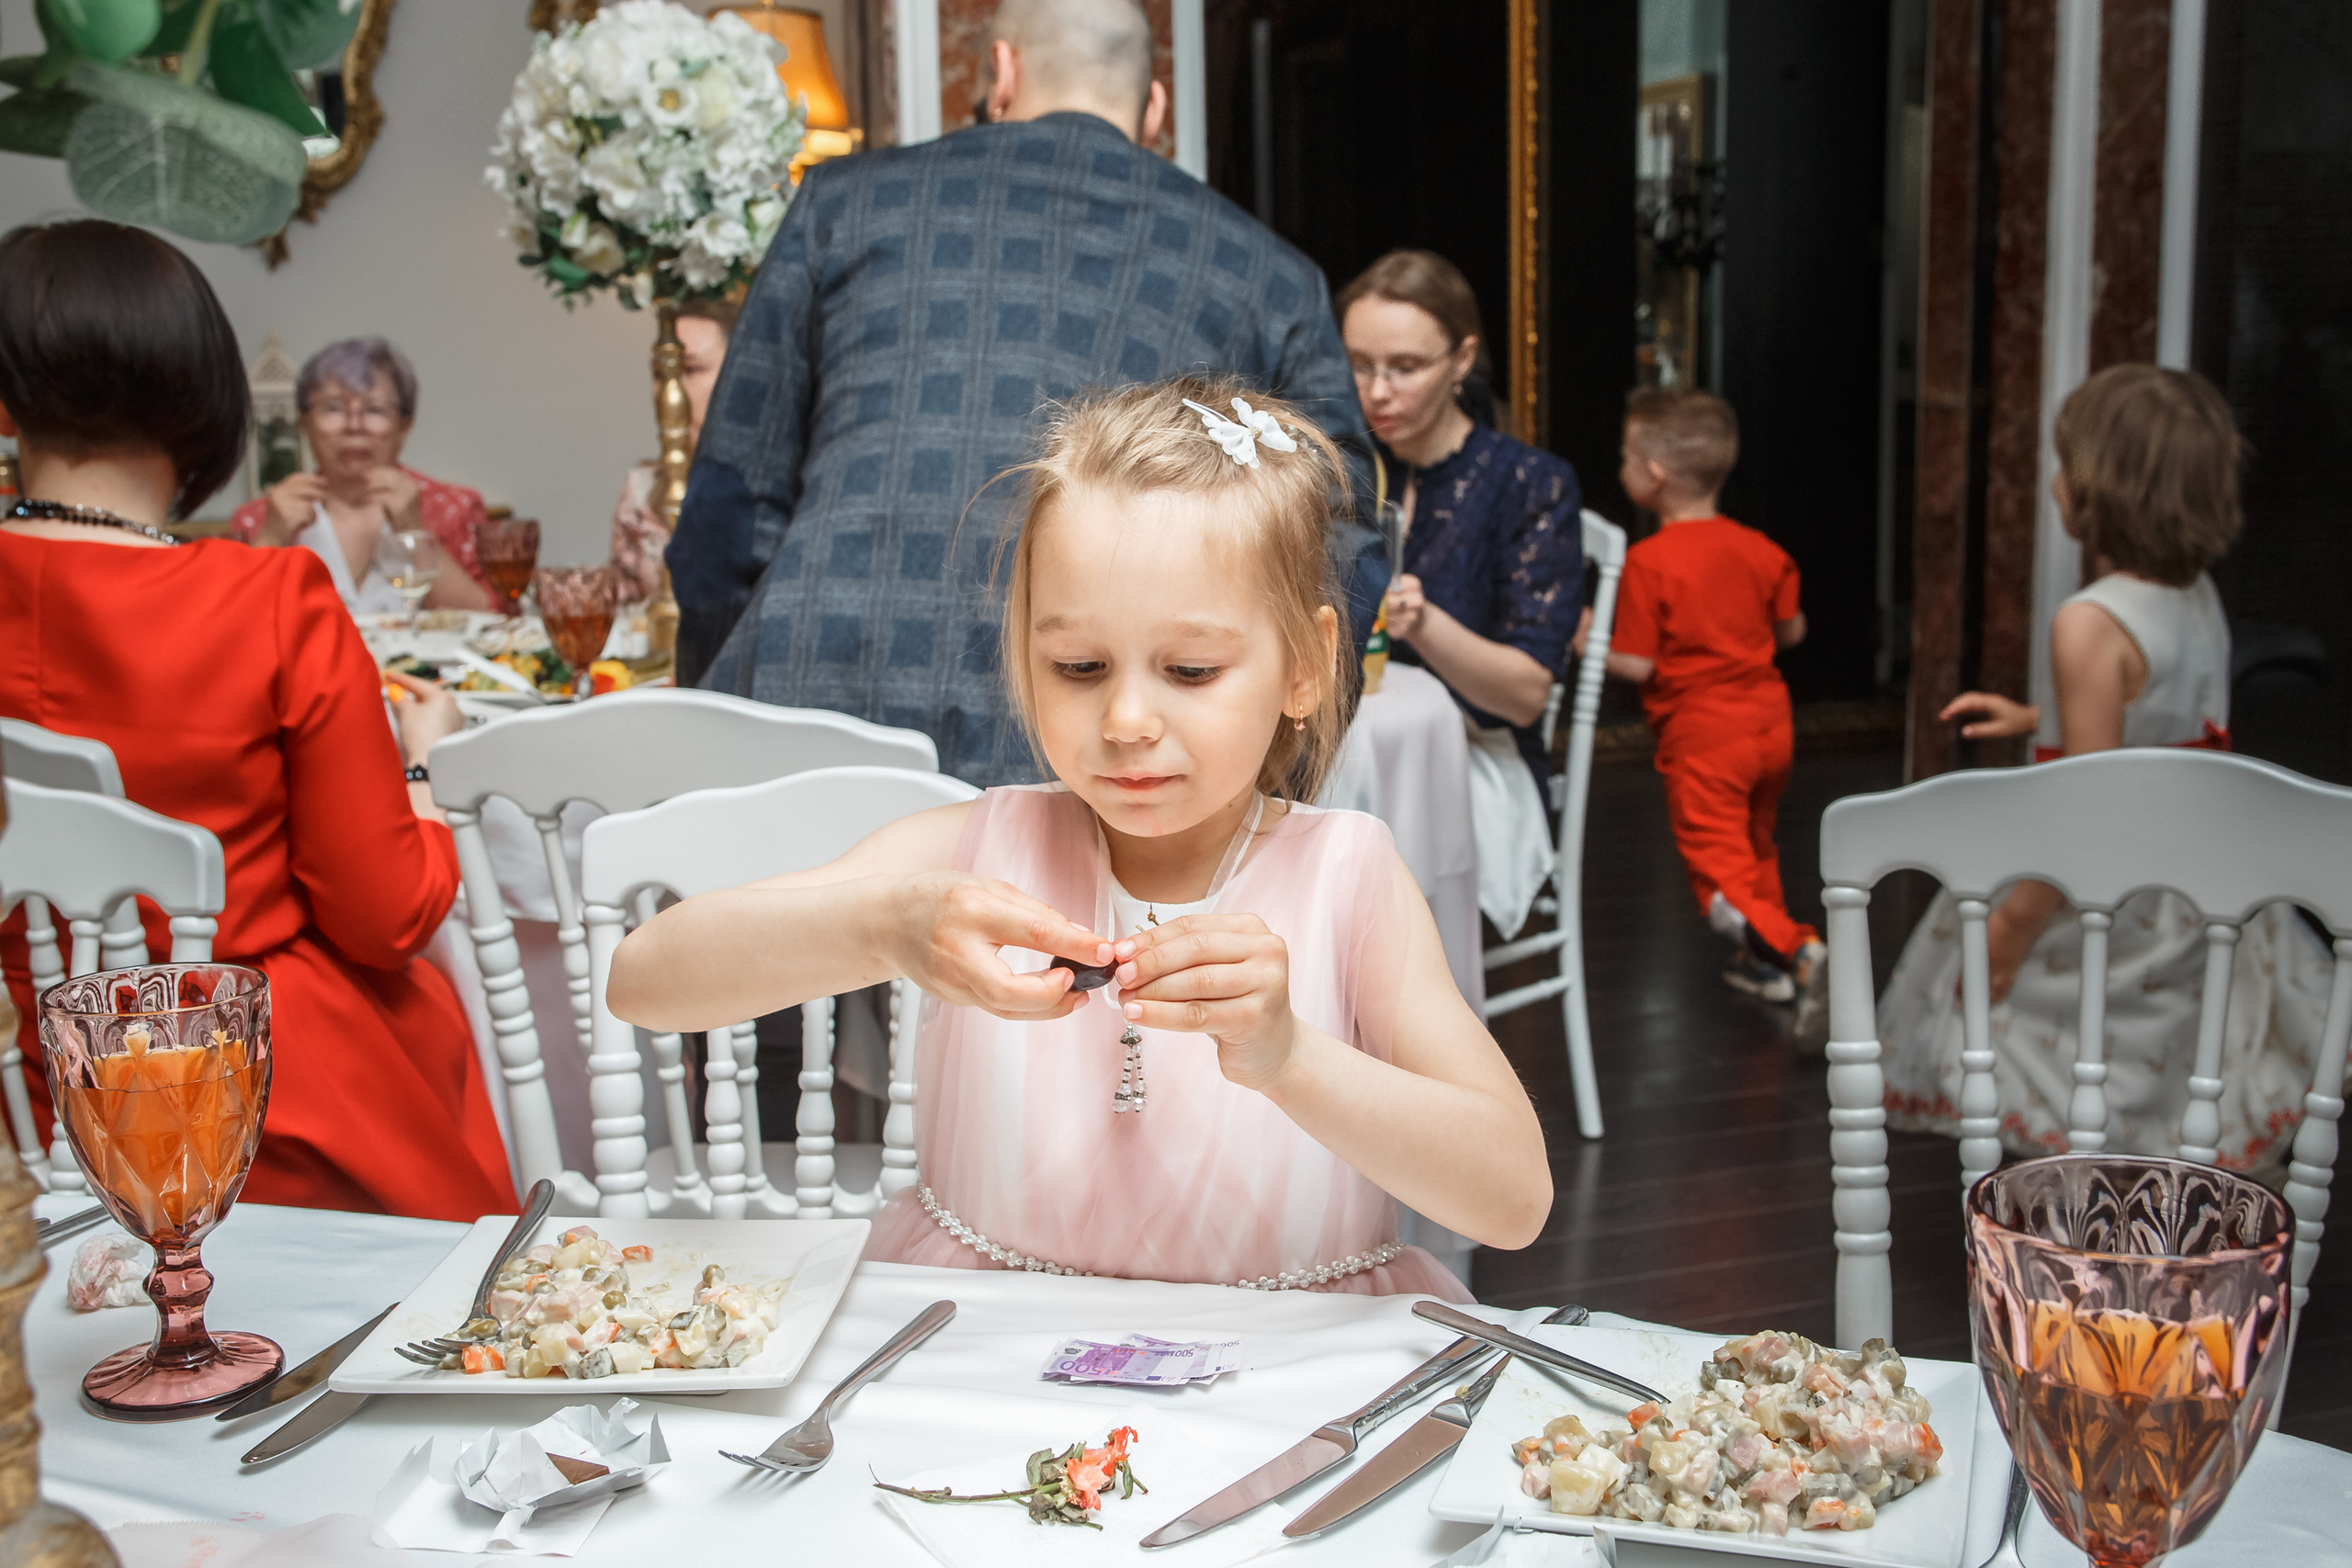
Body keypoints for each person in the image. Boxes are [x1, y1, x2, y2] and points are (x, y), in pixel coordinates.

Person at [611, 379, 1549, 1293]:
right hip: (995, 1348)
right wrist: (881, 928)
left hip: (1283, 1365)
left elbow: (1513, 1201)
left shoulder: (1349, 880)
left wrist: (1291, 1057)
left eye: (1190, 670)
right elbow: (642, 980)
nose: (1127, 720)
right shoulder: (972, 850)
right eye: (1079, 666)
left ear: (1304, 666)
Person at [668, 0, 1384, 782]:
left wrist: (714, 703)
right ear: (1154, 111)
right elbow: (1338, 536)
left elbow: (731, 507)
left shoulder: (839, 204)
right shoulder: (1270, 275)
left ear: (1001, 74)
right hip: (1097, 756)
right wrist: (1275, 766)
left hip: (805, 714)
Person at [0, 220, 514, 1222]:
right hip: (254, 1110)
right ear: (203, 399)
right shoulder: (269, 598)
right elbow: (386, 917)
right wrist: (425, 770)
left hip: (34, 1103)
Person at [1879, 364, 2336, 1170]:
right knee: (2168, 1046)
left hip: (2111, 881)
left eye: (2065, 463)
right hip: (2192, 865)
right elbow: (2162, 720)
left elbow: (2086, 810)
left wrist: (2014, 925)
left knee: (2037, 1023)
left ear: (2104, 488)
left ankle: (2085, 1178)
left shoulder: (2088, 621)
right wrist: (2038, 717)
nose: (2054, 480)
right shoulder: (2195, 592)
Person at [1339, 250, 1583, 940]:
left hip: (1478, 766)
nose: (1377, 392)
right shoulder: (1349, 471)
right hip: (1354, 748)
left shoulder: (1530, 483)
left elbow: (1526, 696)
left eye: (1405, 367)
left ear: (1462, 359)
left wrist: (1423, 624)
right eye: (1360, 364)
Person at [1597, 388, 1825, 1004]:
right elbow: (1792, 631)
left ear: (1653, 475)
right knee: (1755, 847)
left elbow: (1637, 664)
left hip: (1705, 735)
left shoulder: (1648, 561)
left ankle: (1800, 952)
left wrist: (1585, 637)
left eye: (1625, 459)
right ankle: (1766, 963)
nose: (1621, 469)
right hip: (1771, 725)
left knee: (1717, 865)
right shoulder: (1761, 549)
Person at [230, 337, 500, 614]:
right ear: (304, 422)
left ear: (405, 425)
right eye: (333, 408)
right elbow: (232, 623)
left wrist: (413, 529)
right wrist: (272, 537)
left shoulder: (453, 508)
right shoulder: (263, 516)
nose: (354, 425)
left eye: (375, 410)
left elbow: (486, 622)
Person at [608, 299, 739, 604]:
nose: (670, 391)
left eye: (690, 369)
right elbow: (620, 613)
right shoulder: (640, 492)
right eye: (660, 373)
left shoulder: (785, 489)